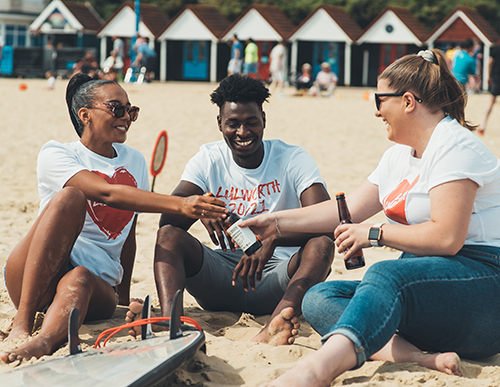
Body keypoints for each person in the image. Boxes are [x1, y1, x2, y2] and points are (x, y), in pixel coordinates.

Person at [242, 49, 500, 386]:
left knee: (385, 274)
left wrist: (375, 234)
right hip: (426, 289)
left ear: (408, 101)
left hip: (482, 292)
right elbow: (345, 208)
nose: (376, 111)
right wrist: (275, 223)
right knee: (320, 298)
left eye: (380, 99)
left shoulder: (455, 146)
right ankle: (417, 356)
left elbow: (446, 239)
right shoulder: (398, 156)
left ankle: (316, 371)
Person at [0, 73, 227, 364]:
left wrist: (122, 299)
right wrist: (181, 204)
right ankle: (22, 321)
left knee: (79, 277)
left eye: (131, 110)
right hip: (32, 272)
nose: (127, 117)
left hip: (92, 286)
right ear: (85, 115)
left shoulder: (134, 161)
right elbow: (106, 193)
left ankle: (43, 342)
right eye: (116, 108)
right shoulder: (56, 153)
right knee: (72, 197)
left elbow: (127, 235)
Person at [126, 74, 334, 346]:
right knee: (168, 235)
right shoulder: (209, 158)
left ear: (264, 120)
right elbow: (169, 221)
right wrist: (201, 208)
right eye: (233, 124)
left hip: (278, 277)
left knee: (322, 245)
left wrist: (273, 238)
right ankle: (170, 326)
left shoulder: (292, 158)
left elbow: (327, 222)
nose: (243, 133)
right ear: (220, 123)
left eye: (251, 122)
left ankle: (275, 324)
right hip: (223, 277)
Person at [478, 41, 500, 135]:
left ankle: (482, 125)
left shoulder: (496, 48)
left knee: (491, 100)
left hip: (496, 78)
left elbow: (490, 62)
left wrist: (488, 76)